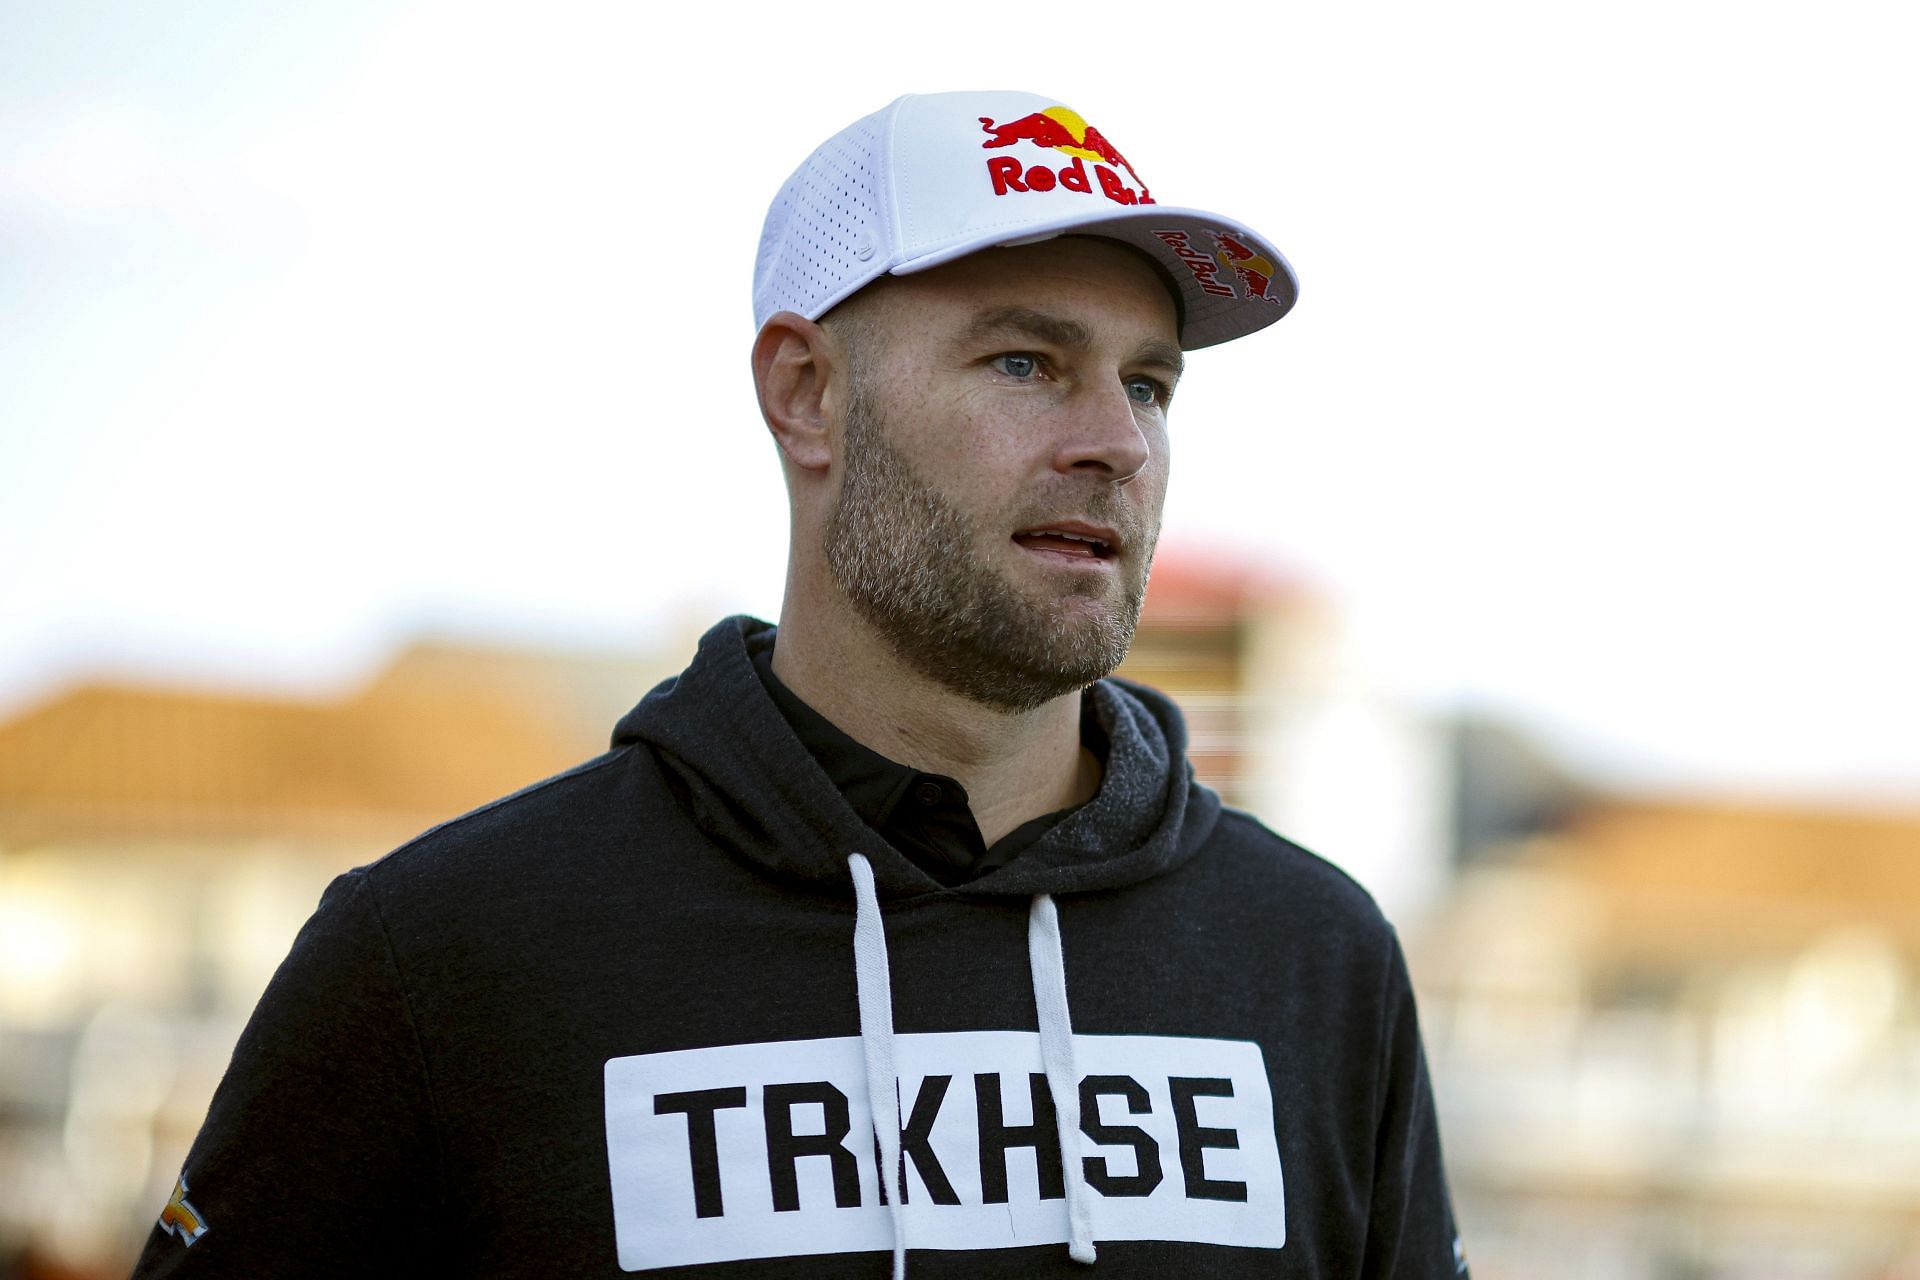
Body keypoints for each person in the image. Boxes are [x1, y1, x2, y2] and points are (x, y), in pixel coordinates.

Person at [131, 90, 1468, 1279]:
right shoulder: (448, 956)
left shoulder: (1315, 957)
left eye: (1152, 385)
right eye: (1027, 363)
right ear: (807, 393)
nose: (1116, 441)